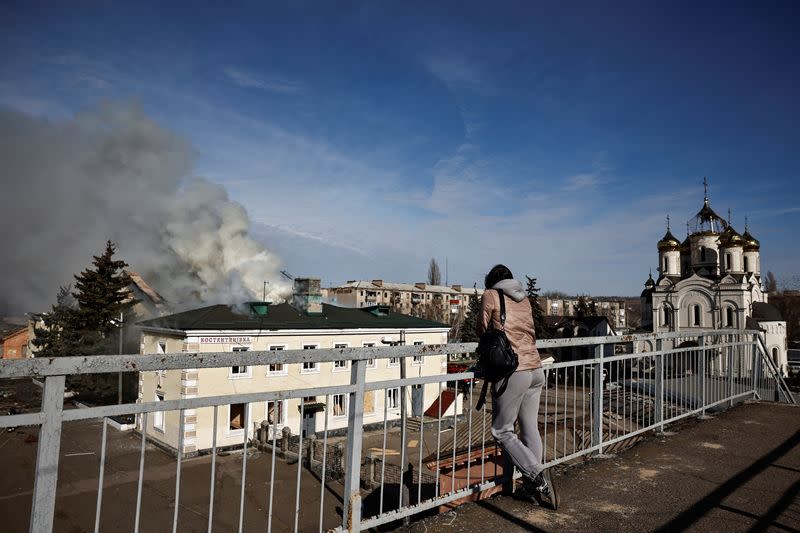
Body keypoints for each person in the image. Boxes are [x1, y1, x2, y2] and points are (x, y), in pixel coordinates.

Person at [477, 264, 558, 510]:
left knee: (502, 431)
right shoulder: (524, 299)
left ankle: (537, 476)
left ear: (491, 281)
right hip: (536, 368)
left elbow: (482, 330)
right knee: (529, 427)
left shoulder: (491, 295)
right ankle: (533, 486)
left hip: (513, 370)